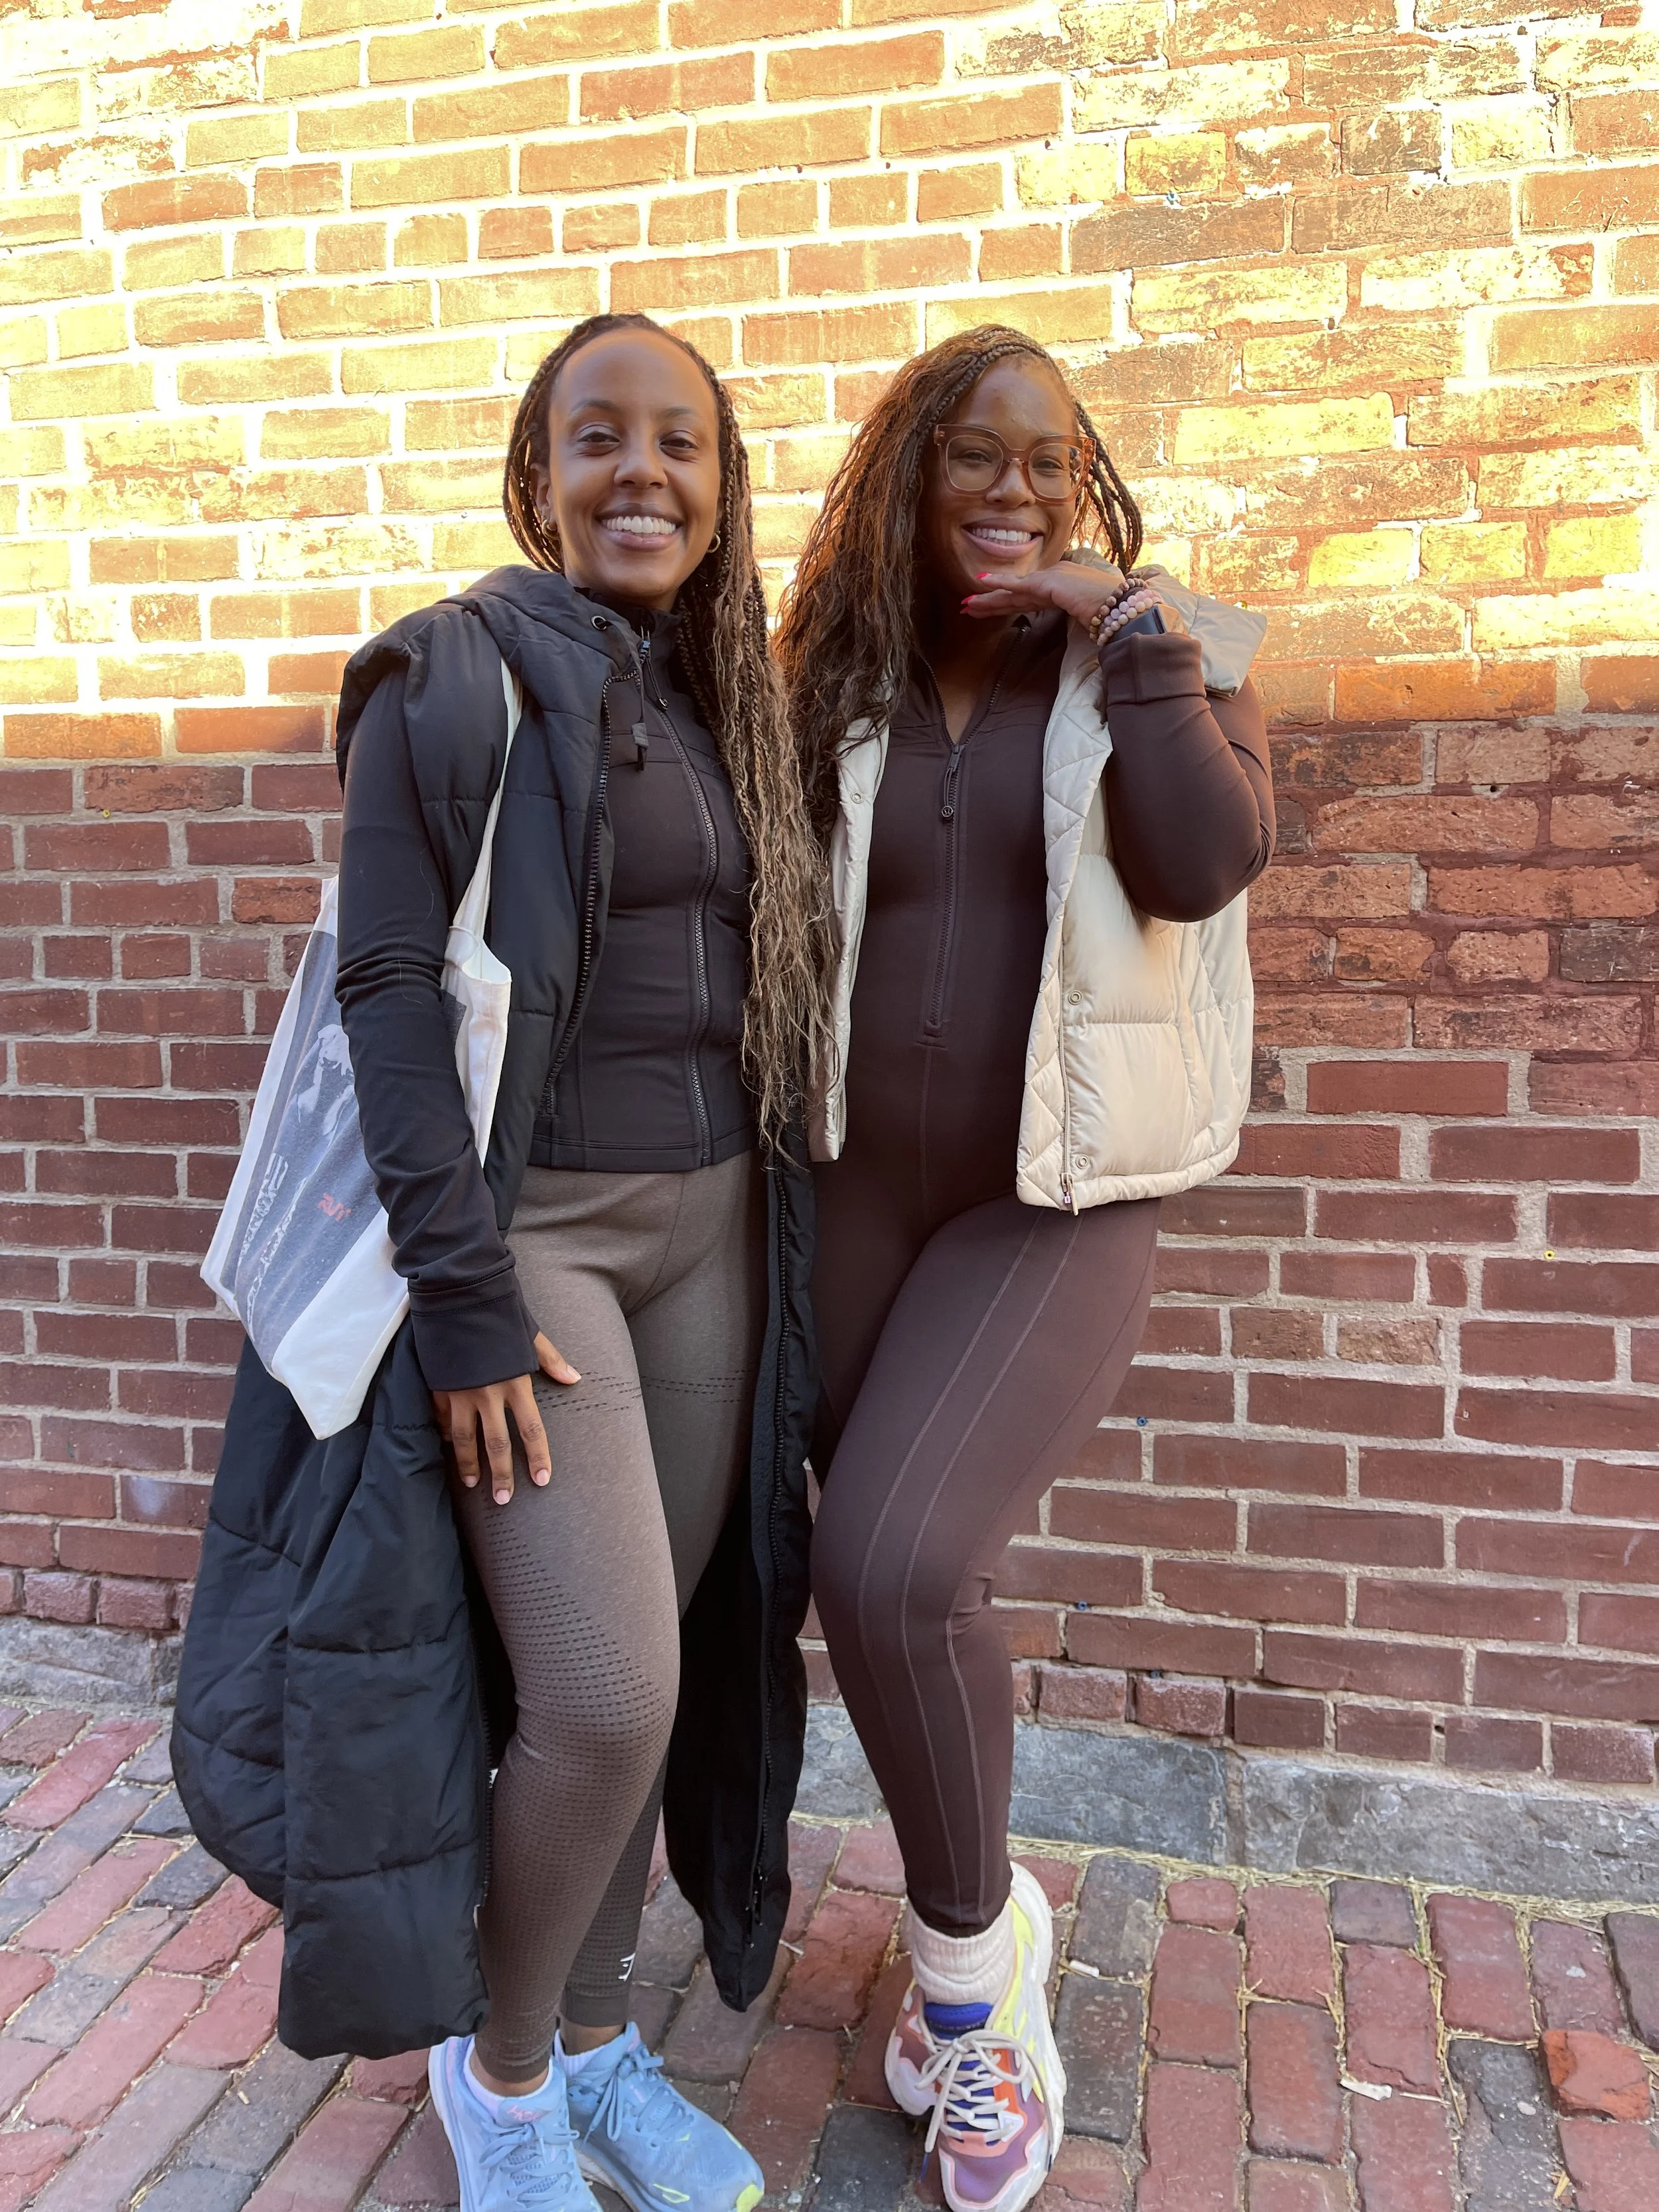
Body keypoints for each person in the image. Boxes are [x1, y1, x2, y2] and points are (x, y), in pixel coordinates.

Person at [332, 313, 830, 2211]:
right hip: (536, 1241)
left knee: (667, 1669)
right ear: (536, 477)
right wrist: (461, 1301)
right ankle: (504, 2072)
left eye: (681, 441)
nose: (644, 473)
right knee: (604, 1690)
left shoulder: (723, 694)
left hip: (712, 1236)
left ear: (723, 480)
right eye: (598, 437)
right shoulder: (449, 674)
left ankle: (603, 2034)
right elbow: (387, 989)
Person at [776, 325, 1275, 2212]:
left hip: (1053, 1199)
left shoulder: (1177, 654)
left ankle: (978, 1997)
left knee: (895, 1564)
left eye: (1045, 462)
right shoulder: (833, 678)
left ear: (1085, 485)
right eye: (971, 457)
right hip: (845, 1190)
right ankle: (971, 1917)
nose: (1010, 490)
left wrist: (1132, 637)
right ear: (906, 478)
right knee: (858, 1583)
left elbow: (1205, 862)